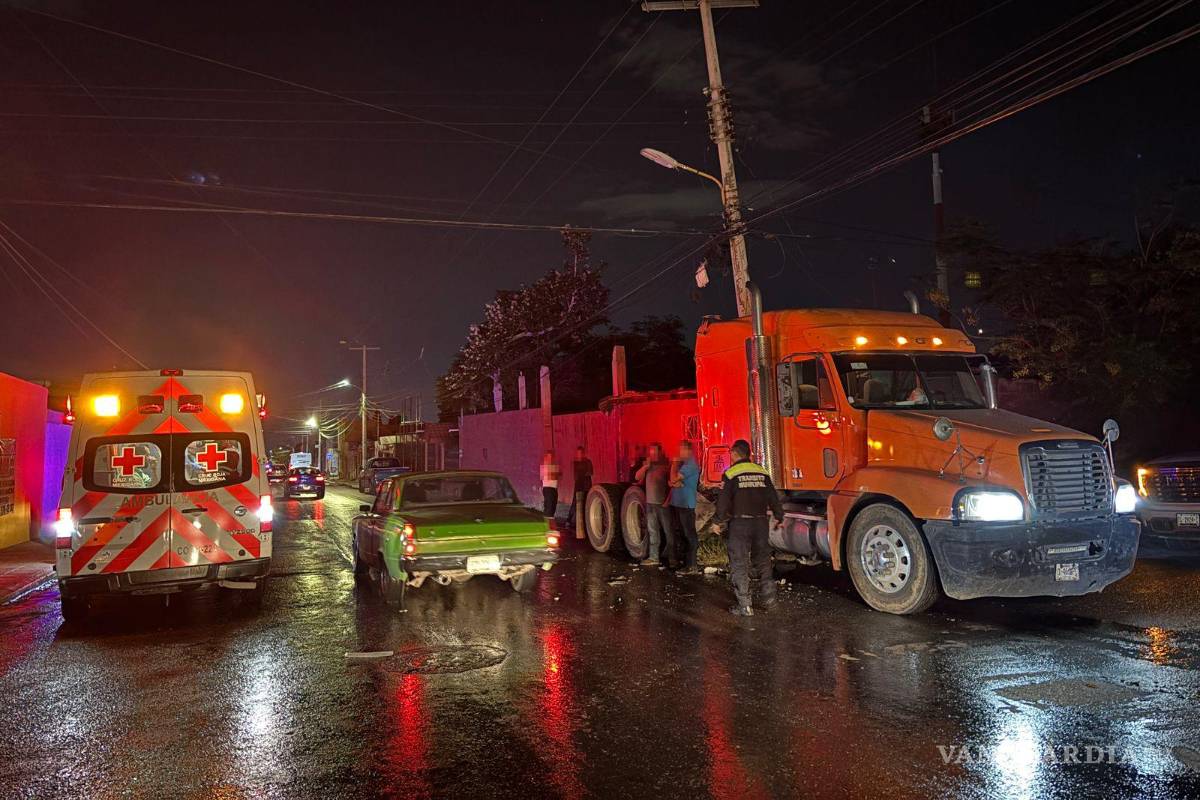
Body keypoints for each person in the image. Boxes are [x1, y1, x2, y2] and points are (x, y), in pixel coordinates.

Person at [714, 439, 784, 616]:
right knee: (763, 561)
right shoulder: (762, 472)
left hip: (740, 524)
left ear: (734, 454)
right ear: (749, 454)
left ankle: (745, 605)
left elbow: (723, 502)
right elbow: (773, 497)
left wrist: (717, 521)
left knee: (740, 562)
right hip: (760, 523)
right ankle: (770, 601)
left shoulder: (730, 474)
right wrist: (779, 516)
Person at [634, 442, 677, 568]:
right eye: (651, 452)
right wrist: (645, 467)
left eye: (654, 452)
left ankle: (673, 559)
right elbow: (637, 477)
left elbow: (673, 485)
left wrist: (668, 500)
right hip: (650, 504)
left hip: (663, 505)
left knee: (669, 531)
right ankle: (654, 557)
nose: (652, 454)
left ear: (660, 452)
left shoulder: (666, 466)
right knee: (653, 531)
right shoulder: (648, 466)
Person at [669, 440, 701, 575]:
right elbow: (673, 483)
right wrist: (675, 482)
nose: (679, 453)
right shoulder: (687, 465)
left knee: (689, 534)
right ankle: (686, 563)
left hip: (686, 505)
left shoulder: (690, 465)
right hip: (681, 504)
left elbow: (674, 479)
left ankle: (692, 566)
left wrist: (674, 464)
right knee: (684, 534)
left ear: (689, 451)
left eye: (682, 450)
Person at [567, 445, 593, 528]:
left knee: (586, 502)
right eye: (578, 454)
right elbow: (576, 475)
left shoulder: (588, 462)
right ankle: (569, 519)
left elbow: (590, 472)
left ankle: (587, 522)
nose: (579, 455)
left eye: (581, 453)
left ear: (583, 453)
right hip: (578, 485)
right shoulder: (576, 463)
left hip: (586, 485)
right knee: (575, 502)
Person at [540, 451, 559, 519]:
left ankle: (549, 522)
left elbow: (557, 477)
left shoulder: (553, 466)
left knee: (553, 506)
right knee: (549, 508)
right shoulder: (545, 467)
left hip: (553, 489)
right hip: (548, 489)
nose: (550, 459)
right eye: (549, 457)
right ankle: (547, 523)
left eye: (551, 457)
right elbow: (552, 476)